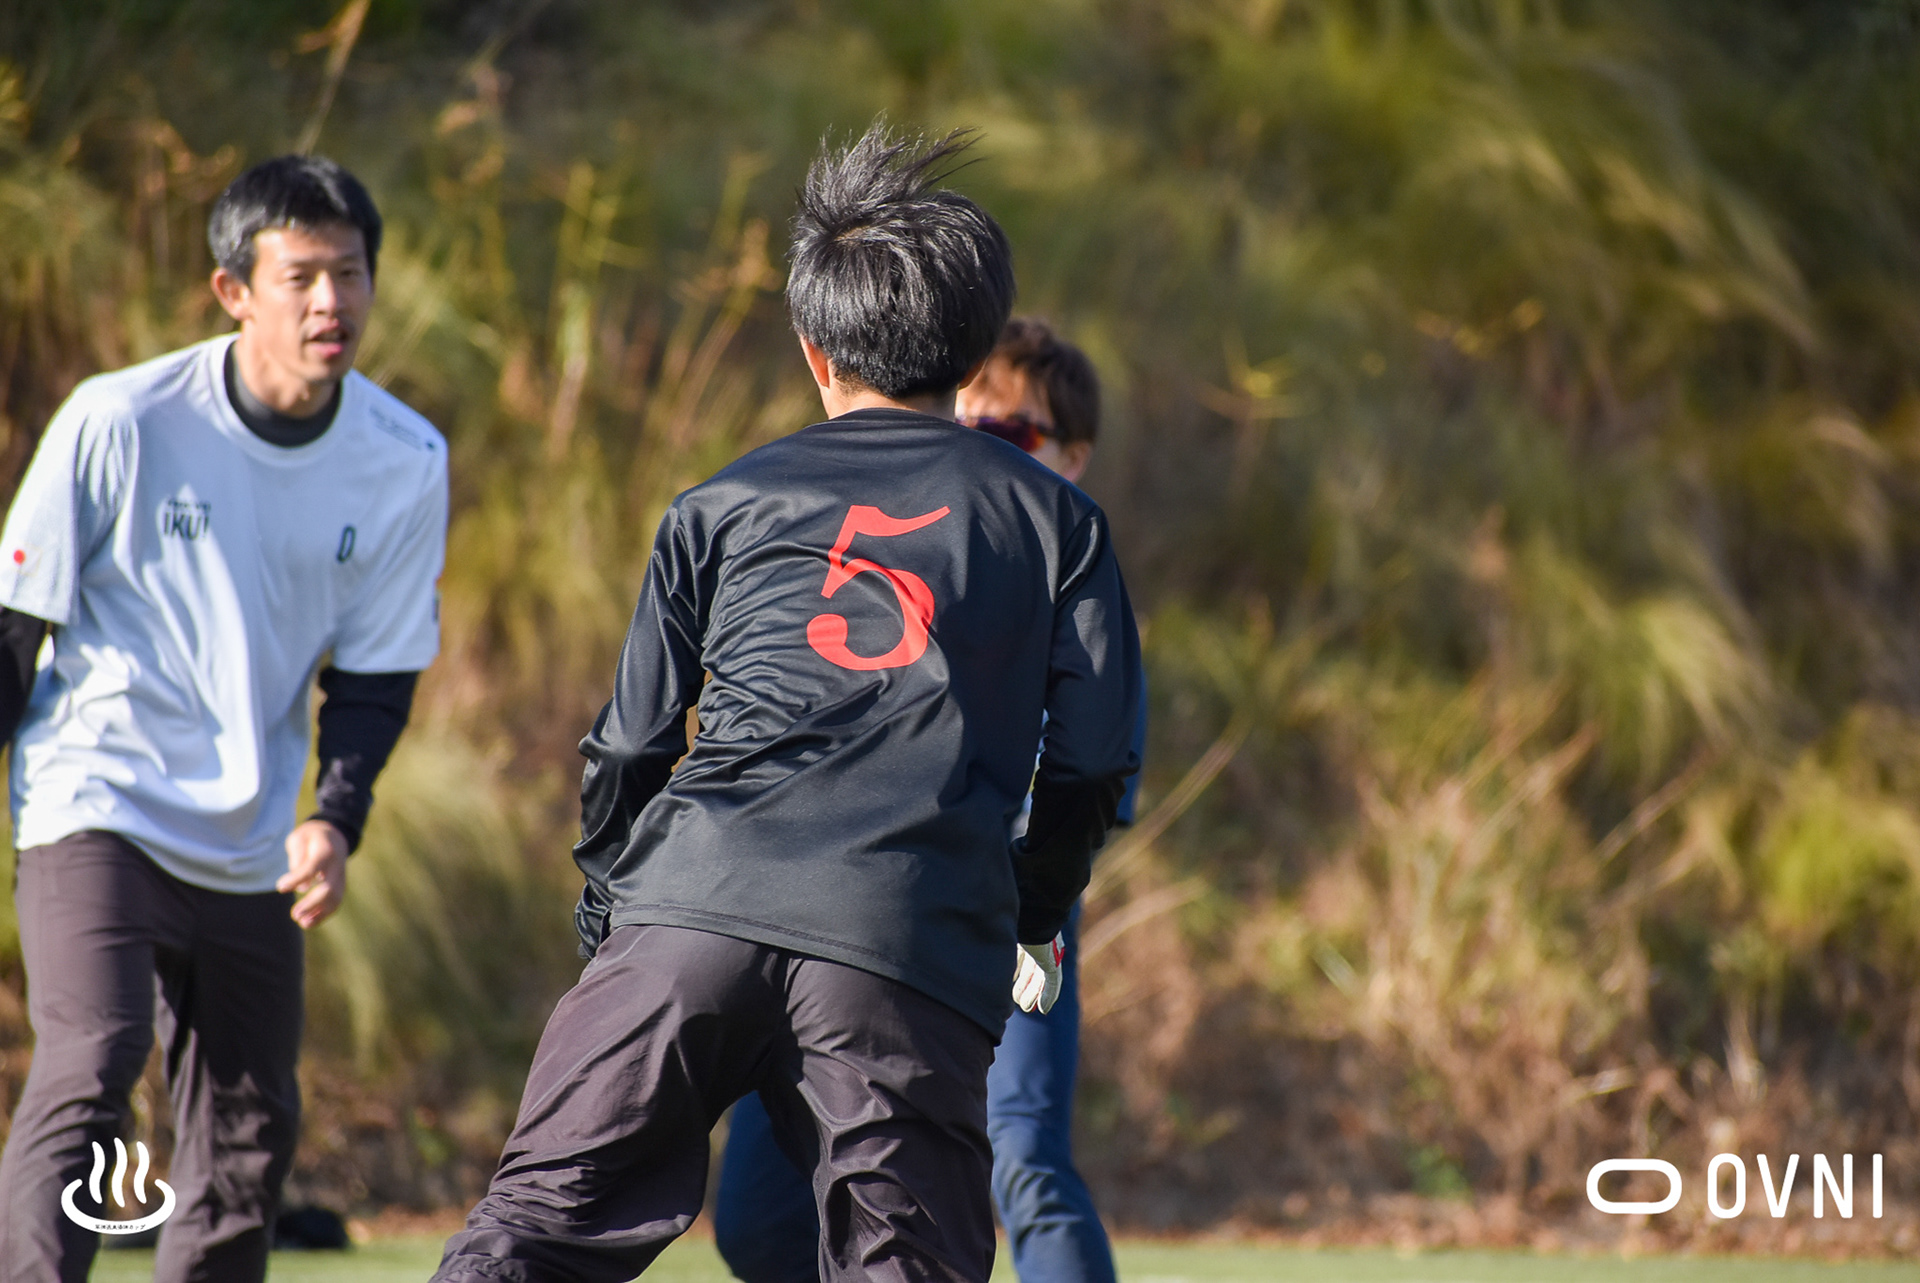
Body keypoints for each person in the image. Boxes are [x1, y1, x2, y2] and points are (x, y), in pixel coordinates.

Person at [430, 122, 1141, 1283]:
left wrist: (617, 917)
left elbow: (630, 745)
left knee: (529, 1231)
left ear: (815, 348)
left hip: (686, 913)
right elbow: (1095, 759)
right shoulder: (1055, 518)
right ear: (973, 354)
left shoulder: (717, 502)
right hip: (900, 937)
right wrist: (1031, 911)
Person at [0, 154, 448, 1283]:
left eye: (350, 273)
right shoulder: (121, 419)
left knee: (251, 1130)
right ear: (233, 291)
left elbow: (377, 673)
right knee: (95, 1058)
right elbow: (15, 629)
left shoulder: (404, 460)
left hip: (250, 837)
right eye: (300, 277)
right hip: (96, 797)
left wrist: (334, 817)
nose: (330, 302)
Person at [712, 318, 1135, 1283]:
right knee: (759, 1217)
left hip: (1004, 912)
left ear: (1074, 455)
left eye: (1011, 432)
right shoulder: (886, 565)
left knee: (1022, 1154)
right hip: (843, 911)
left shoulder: (1075, 573)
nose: (977, 448)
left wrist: (1028, 904)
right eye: (965, 422)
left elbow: (1094, 776)